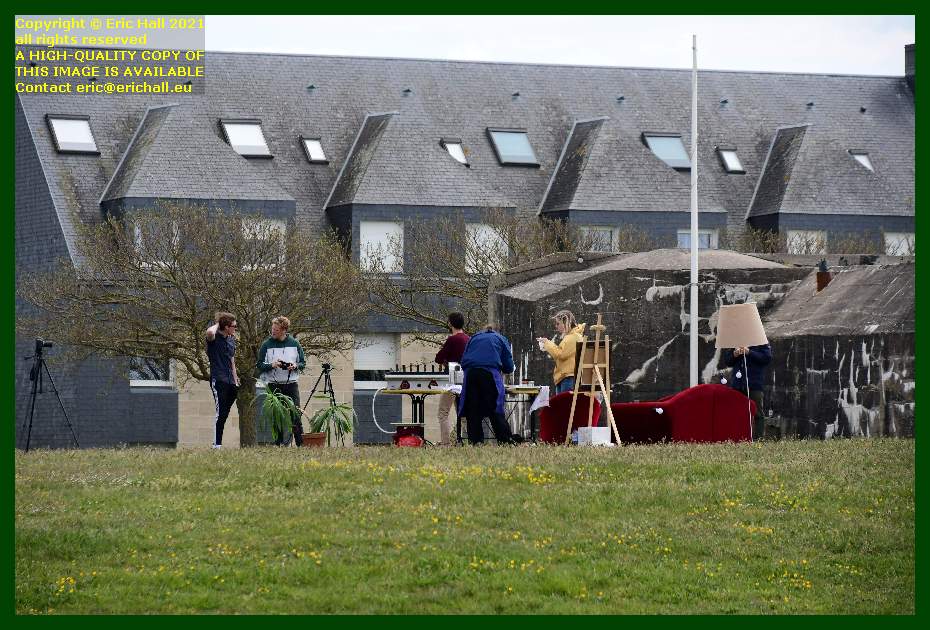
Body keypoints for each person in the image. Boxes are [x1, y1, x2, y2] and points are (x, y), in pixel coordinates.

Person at [457, 325, 520, 445]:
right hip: (489, 374)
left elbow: (463, 359)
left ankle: (475, 441)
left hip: (471, 374)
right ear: (496, 331)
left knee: (473, 409)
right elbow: (508, 366)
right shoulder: (500, 338)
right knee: (495, 407)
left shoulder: (473, 338)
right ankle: (505, 440)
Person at [257, 316, 306, 446]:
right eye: (272, 329)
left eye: (276, 330)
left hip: (291, 385)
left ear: (284, 330)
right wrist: (271, 365)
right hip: (274, 386)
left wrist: (295, 366)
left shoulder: (295, 344)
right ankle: (278, 443)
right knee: (276, 415)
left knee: (295, 414)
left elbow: (302, 363)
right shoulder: (266, 345)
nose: (273, 332)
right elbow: (259, 365)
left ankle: (301, 444)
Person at [722, 343, 774, 439]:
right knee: (736, 413)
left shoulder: (760, 340)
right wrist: (734, 354)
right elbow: (728, 361)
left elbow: (766, 358)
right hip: (738, 384)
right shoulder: (736, 340)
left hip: (754, 384)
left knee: (757, 413)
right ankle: (737, 438)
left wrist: (749, 352)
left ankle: (758, 439)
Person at [434, 312, 470, 446]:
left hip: (453, 375)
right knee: (463, 413)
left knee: (443, 412)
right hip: (466, 376)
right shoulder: (468, 339)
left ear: (450, 323)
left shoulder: (452, 339)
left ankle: (446, 443)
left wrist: (445, 358)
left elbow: (438, 358)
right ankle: (466, 440)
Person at [206, 311, 239, 448]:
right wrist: (218, 323)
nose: (235, 328)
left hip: (231, 381)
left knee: (224, 413)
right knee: (220, 413)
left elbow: (232, 361)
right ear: (226, 327)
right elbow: (209, 332)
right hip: (218, 380)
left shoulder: (231, 340)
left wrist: (236, 381)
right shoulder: (213, 339)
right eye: (234, 326)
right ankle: (217, 445)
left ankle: (217, 443)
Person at [536, 310, 586, 395]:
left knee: (565, 403)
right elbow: (561, 352)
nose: (556, 326)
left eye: (558, 323)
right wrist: (547, 344)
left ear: (566, 322)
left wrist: (547, 343)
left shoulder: (573, 337)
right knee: (563, 403)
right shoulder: (572, 336)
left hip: (568, 377)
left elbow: (560, 354)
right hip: (565, 376)